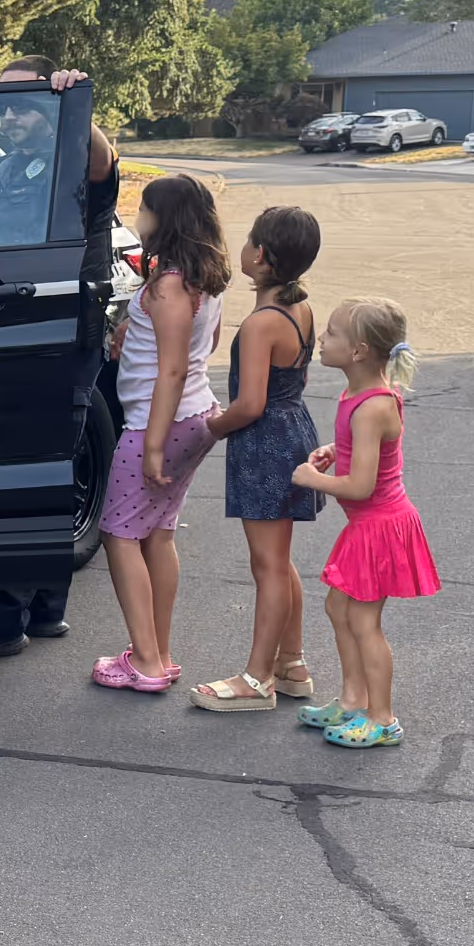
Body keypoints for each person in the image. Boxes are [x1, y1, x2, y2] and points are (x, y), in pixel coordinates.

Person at [0, 58, 119, 662]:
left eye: (25, 104)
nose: (9, 115)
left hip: (56, 332)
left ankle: (1, 621)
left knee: (18, 469)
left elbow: (104, 164)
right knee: (44, 467)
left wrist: (75, 100)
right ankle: (42, 609)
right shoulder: (7, 164)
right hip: (8, 327)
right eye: (3, 106)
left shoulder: (73, 160)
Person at [91, 174, 229, 691]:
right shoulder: (203, 281)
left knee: (118, 534)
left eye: (144, 207)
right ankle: (158, 651)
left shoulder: (169, 284)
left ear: (162, 219)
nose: (138, 214)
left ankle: (145, 661)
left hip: (161, 423)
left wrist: (151, 444)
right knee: (158, 533)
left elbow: (171, 369)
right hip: (193, 417)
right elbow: (204, 343)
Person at [192, 206, 325, 711]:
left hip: (264, 444)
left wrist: (212, 424)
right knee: (279, 560)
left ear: (262, 256)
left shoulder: (260, 323)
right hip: (294, 430)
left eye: (249, 241)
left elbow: (249, 405)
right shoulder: (302, 311)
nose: (243, 248)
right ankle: (291, 664)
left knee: (267, 565)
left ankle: (257, 679)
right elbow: (296, 381)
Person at [289, 298, 439, 748]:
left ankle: (383, 718)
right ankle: (353, 698)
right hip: (368, 526)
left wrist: (314, 478)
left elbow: (360, 487)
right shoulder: (357, 395)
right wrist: (338, 449)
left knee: (364, 622)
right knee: (339, 609)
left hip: (380, 525)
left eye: (331, 332)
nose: (321, 338)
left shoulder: (373, 404)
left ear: (358, 351)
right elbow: (368, 451)